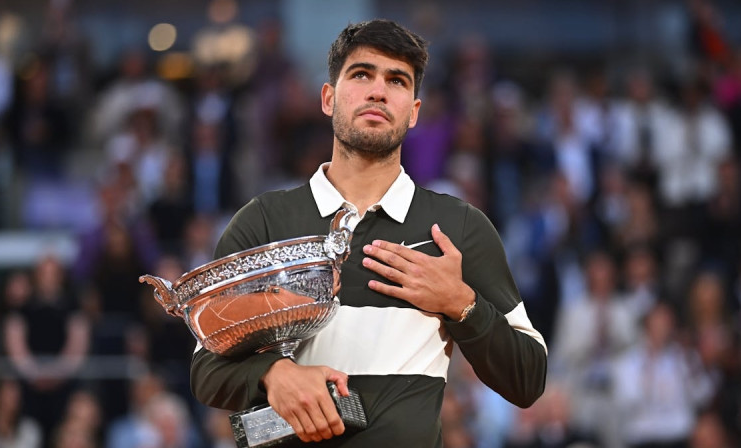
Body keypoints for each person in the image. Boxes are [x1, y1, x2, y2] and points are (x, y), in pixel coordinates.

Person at [189, 19, 547, 447]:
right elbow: (205, 367)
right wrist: (273, 374)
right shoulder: (263, 220)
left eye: (397, 81)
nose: (378, 91)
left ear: (413, 111)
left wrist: (460, 303)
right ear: (328, 98)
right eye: (361, 74)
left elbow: (528, 378)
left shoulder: (459, 228)